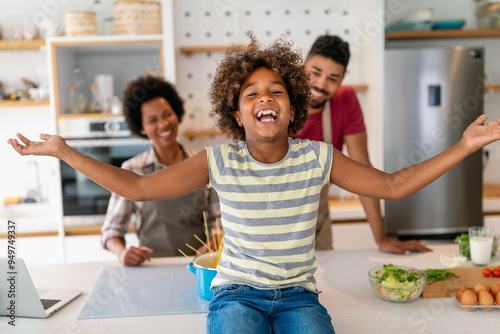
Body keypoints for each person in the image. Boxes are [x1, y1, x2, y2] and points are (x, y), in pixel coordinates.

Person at [8, 34, 500, 334]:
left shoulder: (320, 158)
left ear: (292, 108)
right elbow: (136, 188)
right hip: (236, 295)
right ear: (236, 112)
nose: (265, 97)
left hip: (300, 297)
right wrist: (64, 151)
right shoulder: (217, 161)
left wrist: (463, 146)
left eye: (277, 90)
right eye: (251, 93)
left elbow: (393, 184)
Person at [293, 34, 431, 254]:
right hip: (270, 214)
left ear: (342, 79)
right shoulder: (278, 98)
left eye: (332, 78)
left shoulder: (346, 100)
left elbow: (363, 169)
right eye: (315, 73)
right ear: (302, 67)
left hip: (316, 214)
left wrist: (381, 239)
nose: (320, 84)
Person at [101, 75, 220, 266]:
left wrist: (214, 243)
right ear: (141, 128)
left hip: (197, 264)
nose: (163, 124)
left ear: (177, 113)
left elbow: (218, 222)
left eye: (167, 114)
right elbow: (111, 230)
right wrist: (122, 253)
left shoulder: (203, 164)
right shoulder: (132, 169)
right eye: (152, 120)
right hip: (149, 266)